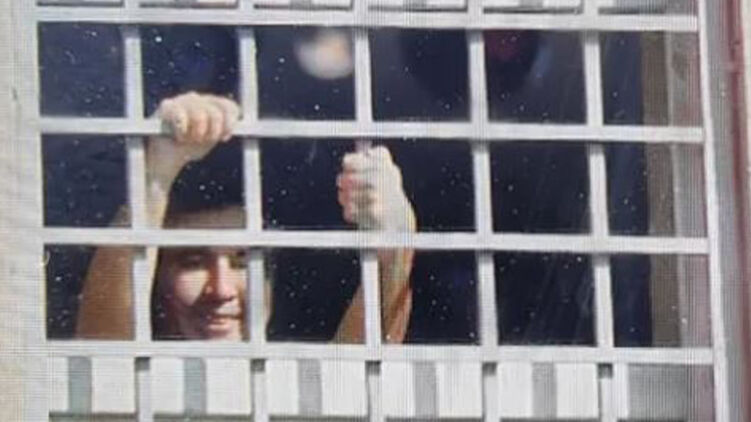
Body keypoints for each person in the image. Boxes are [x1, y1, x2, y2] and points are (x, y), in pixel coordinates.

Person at [75, 91, 416, 343]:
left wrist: (397, 235)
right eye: (193, 262)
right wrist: (157, 173)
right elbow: (105, 363)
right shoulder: (136, 384)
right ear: (154, 274)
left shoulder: (291, 389)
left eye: (243, 261)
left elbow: (358, 381)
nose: (221, 289)